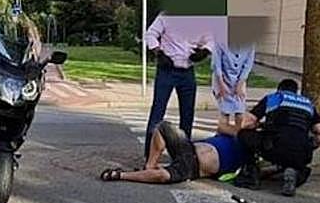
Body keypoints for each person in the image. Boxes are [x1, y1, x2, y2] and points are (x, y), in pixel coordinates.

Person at [235, 79, 320, 197]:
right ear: (296, 92)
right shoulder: (308, 104)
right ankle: (293, 170)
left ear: (279, 89)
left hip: (274, 146)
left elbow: (247, 123)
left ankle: (250, 174)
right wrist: (311, 144)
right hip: (301, 152)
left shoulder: (274, 98)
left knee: (244, 134)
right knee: (297, 156)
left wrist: (260, 125)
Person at [143, 13, 210, 158]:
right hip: (167, 69)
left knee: (187, 114)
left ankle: (182, 156)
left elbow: (210, 39)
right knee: (158, 111)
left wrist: (204, 51)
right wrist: (158, 52)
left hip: (187, 71)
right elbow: (150, 34)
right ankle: (149, 156)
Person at [100, 119, 247, 185]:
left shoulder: (251, 154)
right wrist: (243, 127)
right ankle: (149, 165)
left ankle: (121, 175)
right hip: (188, 148)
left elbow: (266, 169)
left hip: (194, 168)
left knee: (163, 176)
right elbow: (222, 126)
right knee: (163, 127)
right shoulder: (234, 133)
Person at [212, 40, 255, 128]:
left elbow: (248, 65)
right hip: (222, 78)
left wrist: (240, 84)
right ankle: (222, 135)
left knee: (240, 111)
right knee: (225, 111)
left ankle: (238, 136)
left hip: (239, 79)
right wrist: (221, 84)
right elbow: (217, 64)